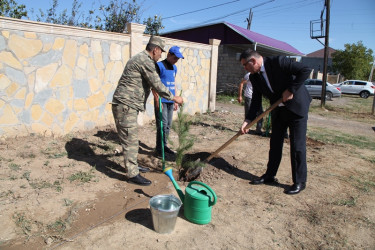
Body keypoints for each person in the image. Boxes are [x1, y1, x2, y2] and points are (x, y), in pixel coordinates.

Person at [112, 36, 184, 186]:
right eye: (160, 52)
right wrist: (174, 98)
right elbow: (157, 84)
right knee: (130, 140)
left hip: (128, 105)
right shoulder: (145, 61)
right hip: (126, 105)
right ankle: (132, 174)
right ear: (155, 49)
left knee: (131, 138)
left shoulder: (143, 59)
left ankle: (133, 166)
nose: (161, 55)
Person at [239, 49, 311, 195]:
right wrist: (247, 121)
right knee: (275, 144)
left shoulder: (278, 62)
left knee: (297, 145)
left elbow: (305, 69)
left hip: (297, 108)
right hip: (278, 110)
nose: (245, 69)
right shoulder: (255, 77)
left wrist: (291, 89)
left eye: (245, 65)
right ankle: (270, 175)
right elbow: (255, 103)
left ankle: (299, 181)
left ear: (253, 61)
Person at [152, 46, 184, 157]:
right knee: (162, 125)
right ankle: (159, 149)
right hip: (161, 100)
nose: (176, 61)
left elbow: (173, 83)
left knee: (168, 125)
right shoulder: (159, 66)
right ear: (169, 54)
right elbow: (154, 85)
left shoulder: (174, 68)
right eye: (175, 58)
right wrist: (157, 100)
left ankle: (164, 146)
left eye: (178, 59)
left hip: (171, 101)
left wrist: (175, 100)